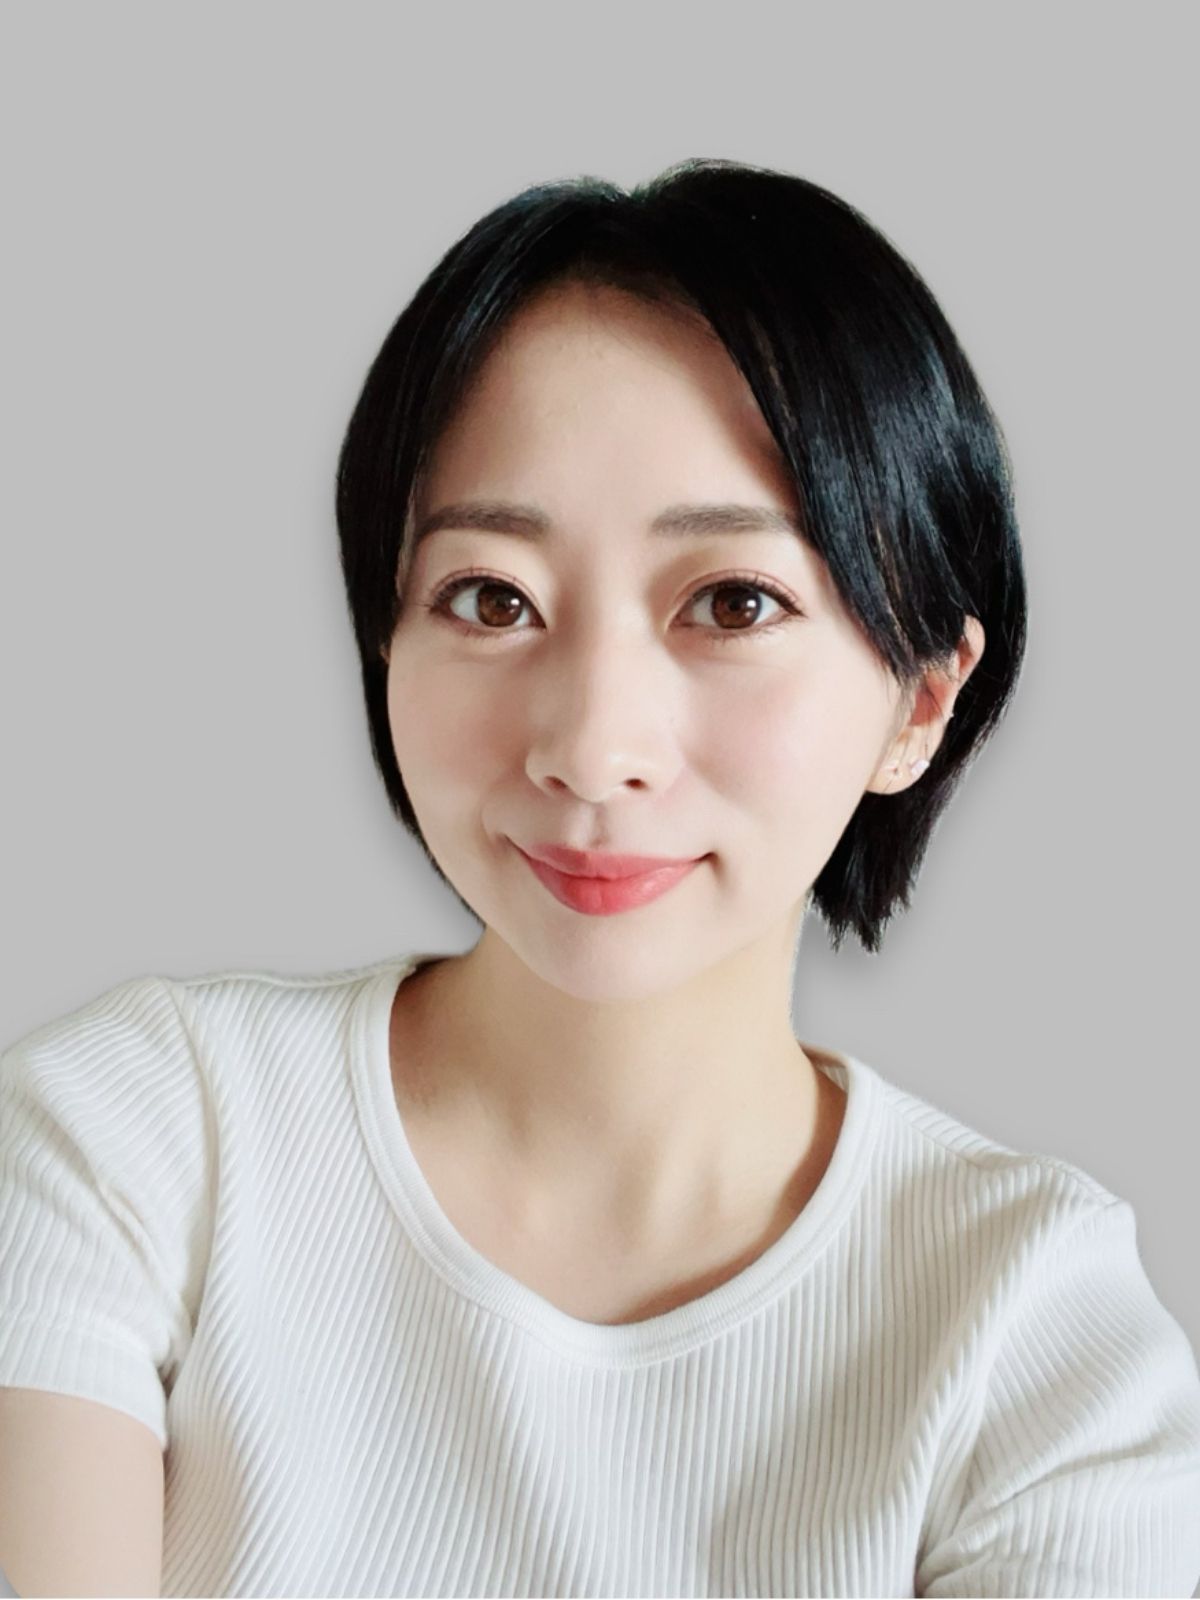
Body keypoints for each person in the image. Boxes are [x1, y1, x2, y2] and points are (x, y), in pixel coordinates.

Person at [2, 158, 1198, 1598]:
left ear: (920, 701)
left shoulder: (1035, 1332)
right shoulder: (137, 1138)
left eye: (733, 603)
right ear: (386, 635)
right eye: (490, 597)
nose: (590, 748)